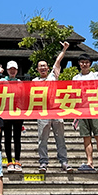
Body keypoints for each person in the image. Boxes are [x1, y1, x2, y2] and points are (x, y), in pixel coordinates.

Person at [33, 42, 72, 172]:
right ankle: (43, 161)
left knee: (60, 138)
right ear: (37, 69)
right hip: (43, 112)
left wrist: (64, 49)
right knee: (42, 139)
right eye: (40, 66)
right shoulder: (34, 81)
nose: (42, 68)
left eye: (44, 66)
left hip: (56, 110)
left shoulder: (53, 76)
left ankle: (64, 161)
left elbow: (58, 61)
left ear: (48, 68)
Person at [0, 60, 24, 172]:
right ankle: (9, 161)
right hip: (5, 112)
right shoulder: (2, 81)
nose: (12, 71)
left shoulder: (20, 82)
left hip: (17, 113)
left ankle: (17, 160)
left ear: (17, 70)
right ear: (7, 70)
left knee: (17, 138)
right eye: (10, 69)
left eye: (14, 69)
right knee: (7, 138)